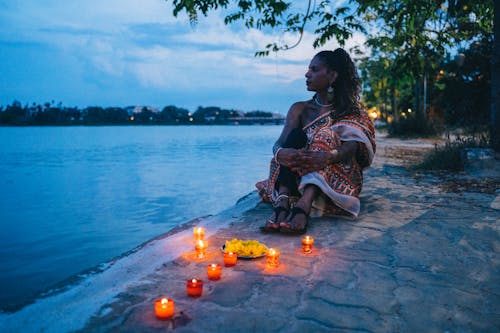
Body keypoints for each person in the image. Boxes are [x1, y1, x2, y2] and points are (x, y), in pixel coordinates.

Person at [256, 48, 376, 235]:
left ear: (333, 75)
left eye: (314, 69)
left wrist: (327, 156)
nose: (307, 74)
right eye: (308, 69)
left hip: (336, 176)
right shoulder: (299, 109)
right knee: (294, 139)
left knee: (324, 136)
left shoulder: (351, 112)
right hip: (295, 175)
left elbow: (351, 149)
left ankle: (304, 205)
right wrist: (282, 153)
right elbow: (279, 143)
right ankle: (283, 201)